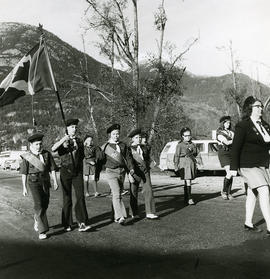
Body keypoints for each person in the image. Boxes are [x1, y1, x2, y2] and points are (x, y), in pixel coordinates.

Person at [231, 96, 270, 234]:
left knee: (252, 192)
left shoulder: (265, 125)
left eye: (261, 106)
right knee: (264, 190)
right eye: (257, 106)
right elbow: (235, 147)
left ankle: (248, 222)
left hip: (262, 165)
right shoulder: (243, 125)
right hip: (248, 165)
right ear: (249, 108)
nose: (261, 108)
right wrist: (233, 168)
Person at [52, 119, 91, 232]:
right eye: (72, 127)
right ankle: (67, 223)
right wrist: (64, 139)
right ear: (67, 129)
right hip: (65, 171)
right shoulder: (62, 140)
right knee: (67, 198)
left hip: (77, 172)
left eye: (75, 127)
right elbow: (53, 149)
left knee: (80, 196)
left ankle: (82, 222)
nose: (74, 129)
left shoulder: (79, 141)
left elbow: (82, 155)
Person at [20, 133, 58, 240]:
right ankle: (42, 230)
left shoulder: (47, 154)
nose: (39, 146)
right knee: (39, 204)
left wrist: (55, 181)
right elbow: (24, 173)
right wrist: (24, 187)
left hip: (45, 181)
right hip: (33, 182)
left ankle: (37, 218)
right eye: (36, 144)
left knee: (45, 204)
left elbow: (53, 169)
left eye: (40, 144)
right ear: (31, 145)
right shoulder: (27, 156)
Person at [100, 124, 134, 225]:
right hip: (111, 171)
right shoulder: (106, 146)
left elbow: (128, 158)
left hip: (122, 172)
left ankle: (114, 215)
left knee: (117, 194)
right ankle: (120, 216)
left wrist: (131, 169)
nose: (116, 136)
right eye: (114, 134)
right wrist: (96, 173)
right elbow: (100, 160)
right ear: (110, 135)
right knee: (116, 192)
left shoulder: (123, 145)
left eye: (117, 134)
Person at [128, 128, 158, 220]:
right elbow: (128, 162)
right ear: (132, 139)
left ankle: (150, 212)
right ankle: (133, 212)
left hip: (145, 171)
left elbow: (147, 159)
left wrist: (153, 164)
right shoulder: (128, 149)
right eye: (136, 137)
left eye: (140, 137)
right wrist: (129, 173)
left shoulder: (144, 147)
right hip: (134, 172)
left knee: (148, 190)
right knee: (134, 192)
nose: (139, 139)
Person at [174, 127, 197, 205]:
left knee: (187, 180)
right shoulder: (179, 145)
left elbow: (197, 153)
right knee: (188, 180)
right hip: (184, 163)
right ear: (182, 136)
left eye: (189, 135)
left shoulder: (193, 144)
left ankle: (186, 198)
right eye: (186, 136)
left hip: (191, 163)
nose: (188, 137)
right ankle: (190, 198)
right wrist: (176, 165)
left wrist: (200, 162)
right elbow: (176, 156)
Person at [217, 116, 235, 200]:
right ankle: (224, 191)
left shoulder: (232, 132)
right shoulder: (220, 133)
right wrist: (236, 140)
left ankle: (229, 192)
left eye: (229, 122)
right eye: (226, 122)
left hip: (231, 153)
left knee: (232, 173)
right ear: (223, 123)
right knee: (229, 173)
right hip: (224, 153)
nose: (228, 124)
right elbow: (227, 142)